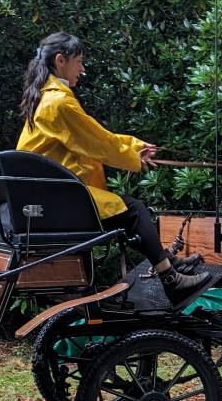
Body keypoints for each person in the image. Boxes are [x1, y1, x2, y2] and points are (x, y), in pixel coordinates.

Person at [16, 32, 210, 306]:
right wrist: (133, 154)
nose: (82, 69)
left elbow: (94, 137)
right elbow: (98, 143)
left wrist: (134, 146)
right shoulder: (57, 103)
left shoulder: (47, 98)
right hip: (55, 200)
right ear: (61, 60)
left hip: (48, 196)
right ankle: (172, 280)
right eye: (79, 62)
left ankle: (167, 262)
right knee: (134, 211)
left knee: (129, 210)